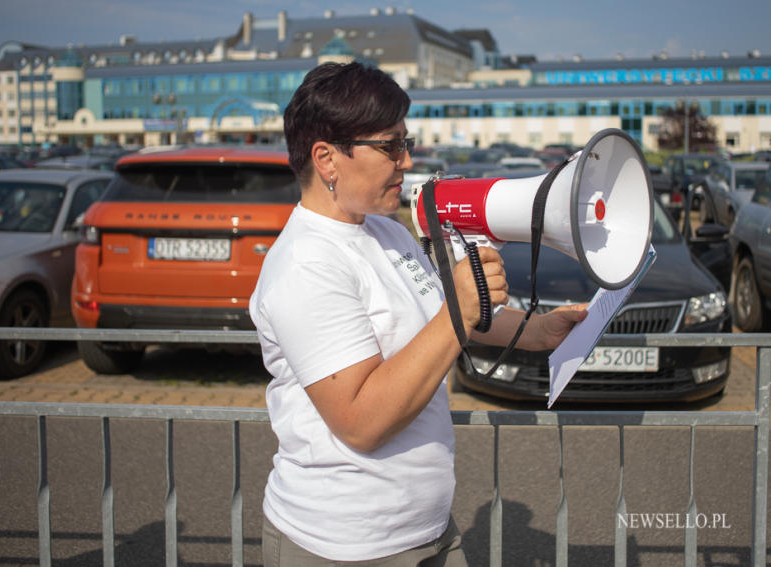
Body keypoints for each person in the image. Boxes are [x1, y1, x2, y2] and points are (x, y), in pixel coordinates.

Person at [249, 61, 587, 566]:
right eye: (391, 146)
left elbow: (441, 320)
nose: (407, 161)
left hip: (425, 531)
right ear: (327, 159)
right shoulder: (306, 263)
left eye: (405, 143)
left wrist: (539, 331)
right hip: (344, 544)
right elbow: (361, 421)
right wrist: (461, 309)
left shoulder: (388, 232)